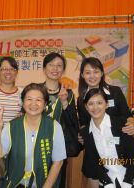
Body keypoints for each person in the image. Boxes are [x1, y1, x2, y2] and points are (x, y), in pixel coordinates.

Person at [0, 83, 66, 188]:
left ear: (45, 105)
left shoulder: (54, 127)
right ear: (23, 102)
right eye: (29, 99)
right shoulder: (12, 126)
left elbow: (58, 162)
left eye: (38, 100)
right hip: (15, 183)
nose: (33, 104)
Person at [77, 57, 134, 187]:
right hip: (95, 150)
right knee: (94, 179)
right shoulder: (81, 100)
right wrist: (82, 136)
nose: (92, 76)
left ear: (102, 73)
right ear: (82, 75)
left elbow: (127, 115)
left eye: (96, 71)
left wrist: (131, 123)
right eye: (87, 72)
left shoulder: (115, 92)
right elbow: (83, 124)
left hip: (116, 149)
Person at [80, 88, 134, 188]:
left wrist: (128, 183)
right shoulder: (86, 133)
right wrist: (107, 183)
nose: (95, 107)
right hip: (108, 179)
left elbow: (133, 156)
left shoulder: (121, 124)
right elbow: (95, 161)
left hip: (133, 177)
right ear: (86, 107)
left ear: (106, 104)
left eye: (99, 103)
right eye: (91, 104)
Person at [42, 52, 81, 187]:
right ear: (44, 69)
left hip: (59, 148)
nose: (55, 68)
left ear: (63, 70)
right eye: (51, 65)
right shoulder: (35, 90)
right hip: (36, 146)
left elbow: (73, 124)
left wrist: (64, 103)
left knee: (58, 182)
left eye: (59, 65)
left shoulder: (68, 93)